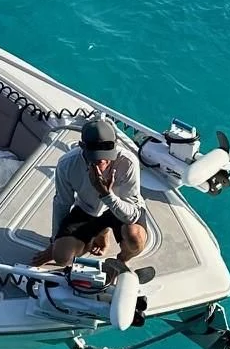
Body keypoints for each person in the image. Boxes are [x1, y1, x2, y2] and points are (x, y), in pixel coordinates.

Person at [32, 115, 150, 268]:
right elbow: (62, 203)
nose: (102, 161)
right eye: (95, 157)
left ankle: (120, 261)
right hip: (87, 210)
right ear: (82, 146)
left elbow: (132, 215)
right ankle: (96, 235)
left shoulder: (128, 162)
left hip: (121, 209)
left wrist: (107, 195)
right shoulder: (67, 164)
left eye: (107, 156)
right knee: (61, 257)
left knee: (135, 240)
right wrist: (54, 242)